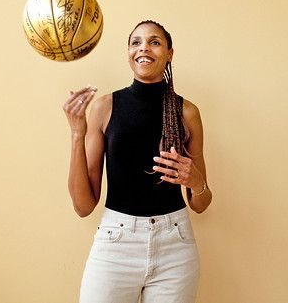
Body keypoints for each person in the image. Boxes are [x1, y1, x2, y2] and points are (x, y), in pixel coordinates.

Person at [63, 20, 212, 303]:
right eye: (136, 42)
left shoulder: (188, 113)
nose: (144, 47)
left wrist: (197, 182)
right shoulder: (104, 107)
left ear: (169, 53)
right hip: (115, 244)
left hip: (175, 247)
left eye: (155, 42)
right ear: (129, 52)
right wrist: (76, 133)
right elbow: (83, 206)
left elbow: (201, 203)